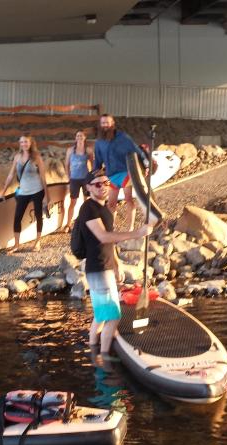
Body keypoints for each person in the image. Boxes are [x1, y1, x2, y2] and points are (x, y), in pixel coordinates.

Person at [77, 168, 151, 364]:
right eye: (97, 184)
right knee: (113, 315)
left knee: (101, 315)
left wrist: (116, 264)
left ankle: (94, 352)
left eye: (106, 183)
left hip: (106, 266)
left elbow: (108, 242)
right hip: (98, 269)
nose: (103, 187)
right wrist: (137, 233)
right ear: (88, 187)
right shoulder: (88, 209)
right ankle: (105, 355)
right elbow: (103, 236)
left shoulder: (103, 208)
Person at [93, 114, 147, 229]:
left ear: (112, 124)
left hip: (125, 173)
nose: (105, 125)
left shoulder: (123, 137)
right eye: (103, 123)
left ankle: (130, 228)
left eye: (107, 123)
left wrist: (146, 164)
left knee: (128, 199)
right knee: (111, 204)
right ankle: (110, 228)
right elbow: (97, 161)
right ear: (100, 125)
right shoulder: (99, 142)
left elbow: (137, 150)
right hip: (111, 175)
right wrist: (93, 175)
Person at [0, 134, 50, 252]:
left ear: (31, 143)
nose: (24, 144)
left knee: (38, 216)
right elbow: (11, 175)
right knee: (17, 217)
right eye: (22, 142)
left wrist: (47, 196)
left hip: (37, 190)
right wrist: (3, 191)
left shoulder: (36, 157)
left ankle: (37, 242)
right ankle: (16, 245)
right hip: (23, 191)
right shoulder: (17, 157)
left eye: (26, 142)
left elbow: (43, 177)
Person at [63, 130, 93, 232]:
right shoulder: (70, 150)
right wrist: (68, 177)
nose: (79, 137)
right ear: (75, 138)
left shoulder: (88, 150)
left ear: (85, 137)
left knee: (87, 201)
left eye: (81, 136)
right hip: (74, 179)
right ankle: (68, 224)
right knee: (73, 202)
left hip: (85, 179)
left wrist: (92, 177)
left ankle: (88, 223)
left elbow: (93, 164)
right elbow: (66, 164)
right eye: (77, 136)